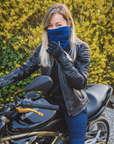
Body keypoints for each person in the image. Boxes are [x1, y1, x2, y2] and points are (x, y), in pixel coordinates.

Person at [0, 4, 90, 144]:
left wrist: (61, 57)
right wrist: (2, 81)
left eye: (58, 24)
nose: (54, 29)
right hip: (49, 104)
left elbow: (80, 83)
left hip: (73, 108)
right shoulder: (44, 48)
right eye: (50, 25)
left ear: (69, 23)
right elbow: (25, 69)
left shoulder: (81, 48)